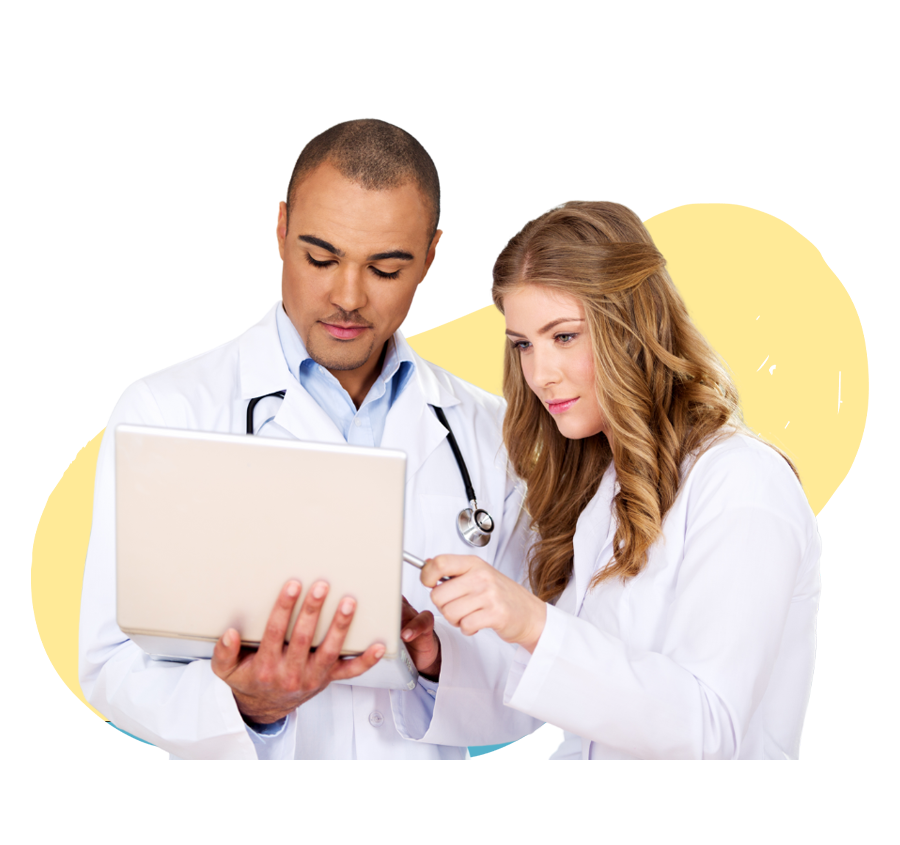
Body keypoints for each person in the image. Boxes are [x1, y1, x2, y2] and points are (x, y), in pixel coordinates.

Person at [78, 119, 541, 759]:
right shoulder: (167, 411)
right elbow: (108, 663)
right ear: (281, 231)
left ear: (429, 260)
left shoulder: (495, 433)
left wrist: (439, 665)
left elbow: (532, 685)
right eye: (320, 258)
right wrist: (246, 704)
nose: (347, 297)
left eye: (384, 268)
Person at [411, 201, 820, 759]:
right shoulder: (604, 490)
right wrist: (436, 660)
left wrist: (533, 622)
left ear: (632, 325)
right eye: (523, 345)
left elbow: (709, 728)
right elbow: (577, 694)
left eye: (564, 337)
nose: (539, 374)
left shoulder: (741, 482)